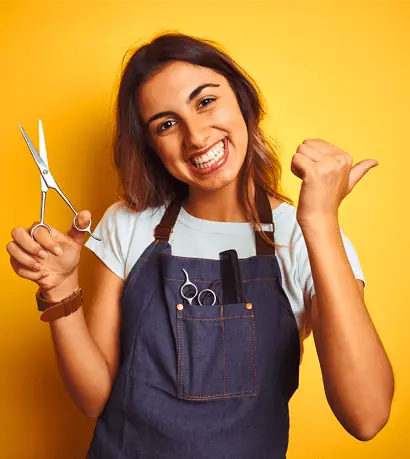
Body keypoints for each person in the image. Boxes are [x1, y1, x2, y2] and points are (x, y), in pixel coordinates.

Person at [7, 32, 394, 458]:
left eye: (206, 101)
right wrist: (60, 290)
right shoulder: (129, 223)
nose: (195, 136)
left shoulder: (306, 237)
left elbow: (367, 416)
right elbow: (93, 399)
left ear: (243, 100)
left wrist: (319, 222)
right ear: (152, 146)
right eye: (167, 124)